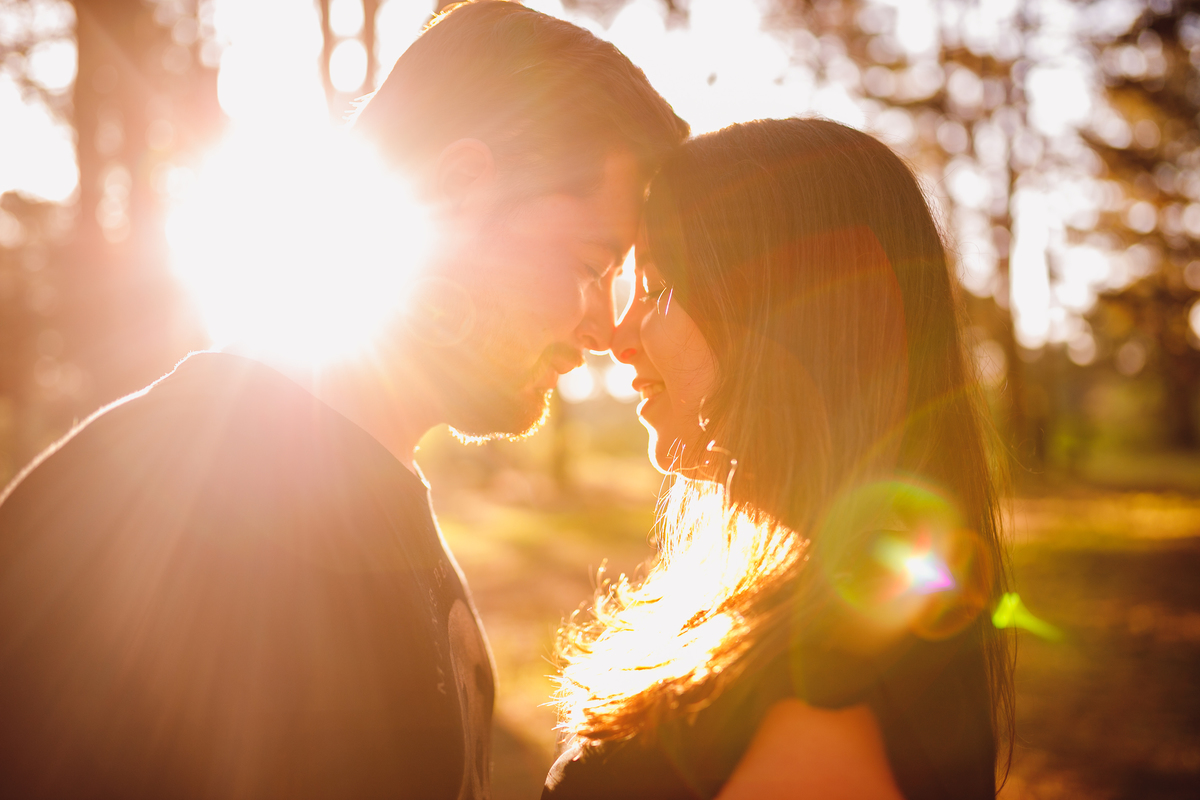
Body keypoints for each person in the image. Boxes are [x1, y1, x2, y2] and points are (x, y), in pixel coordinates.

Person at [0, 2, 687, 798]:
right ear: (460, 189)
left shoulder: (365, 504)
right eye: (590, 266)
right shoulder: (148, 517)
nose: (602, 329)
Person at [545, 118, 1013, 800]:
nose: (617, 337)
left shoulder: (822, 698)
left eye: (656, 289)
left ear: (781, 315)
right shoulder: (809, 608)